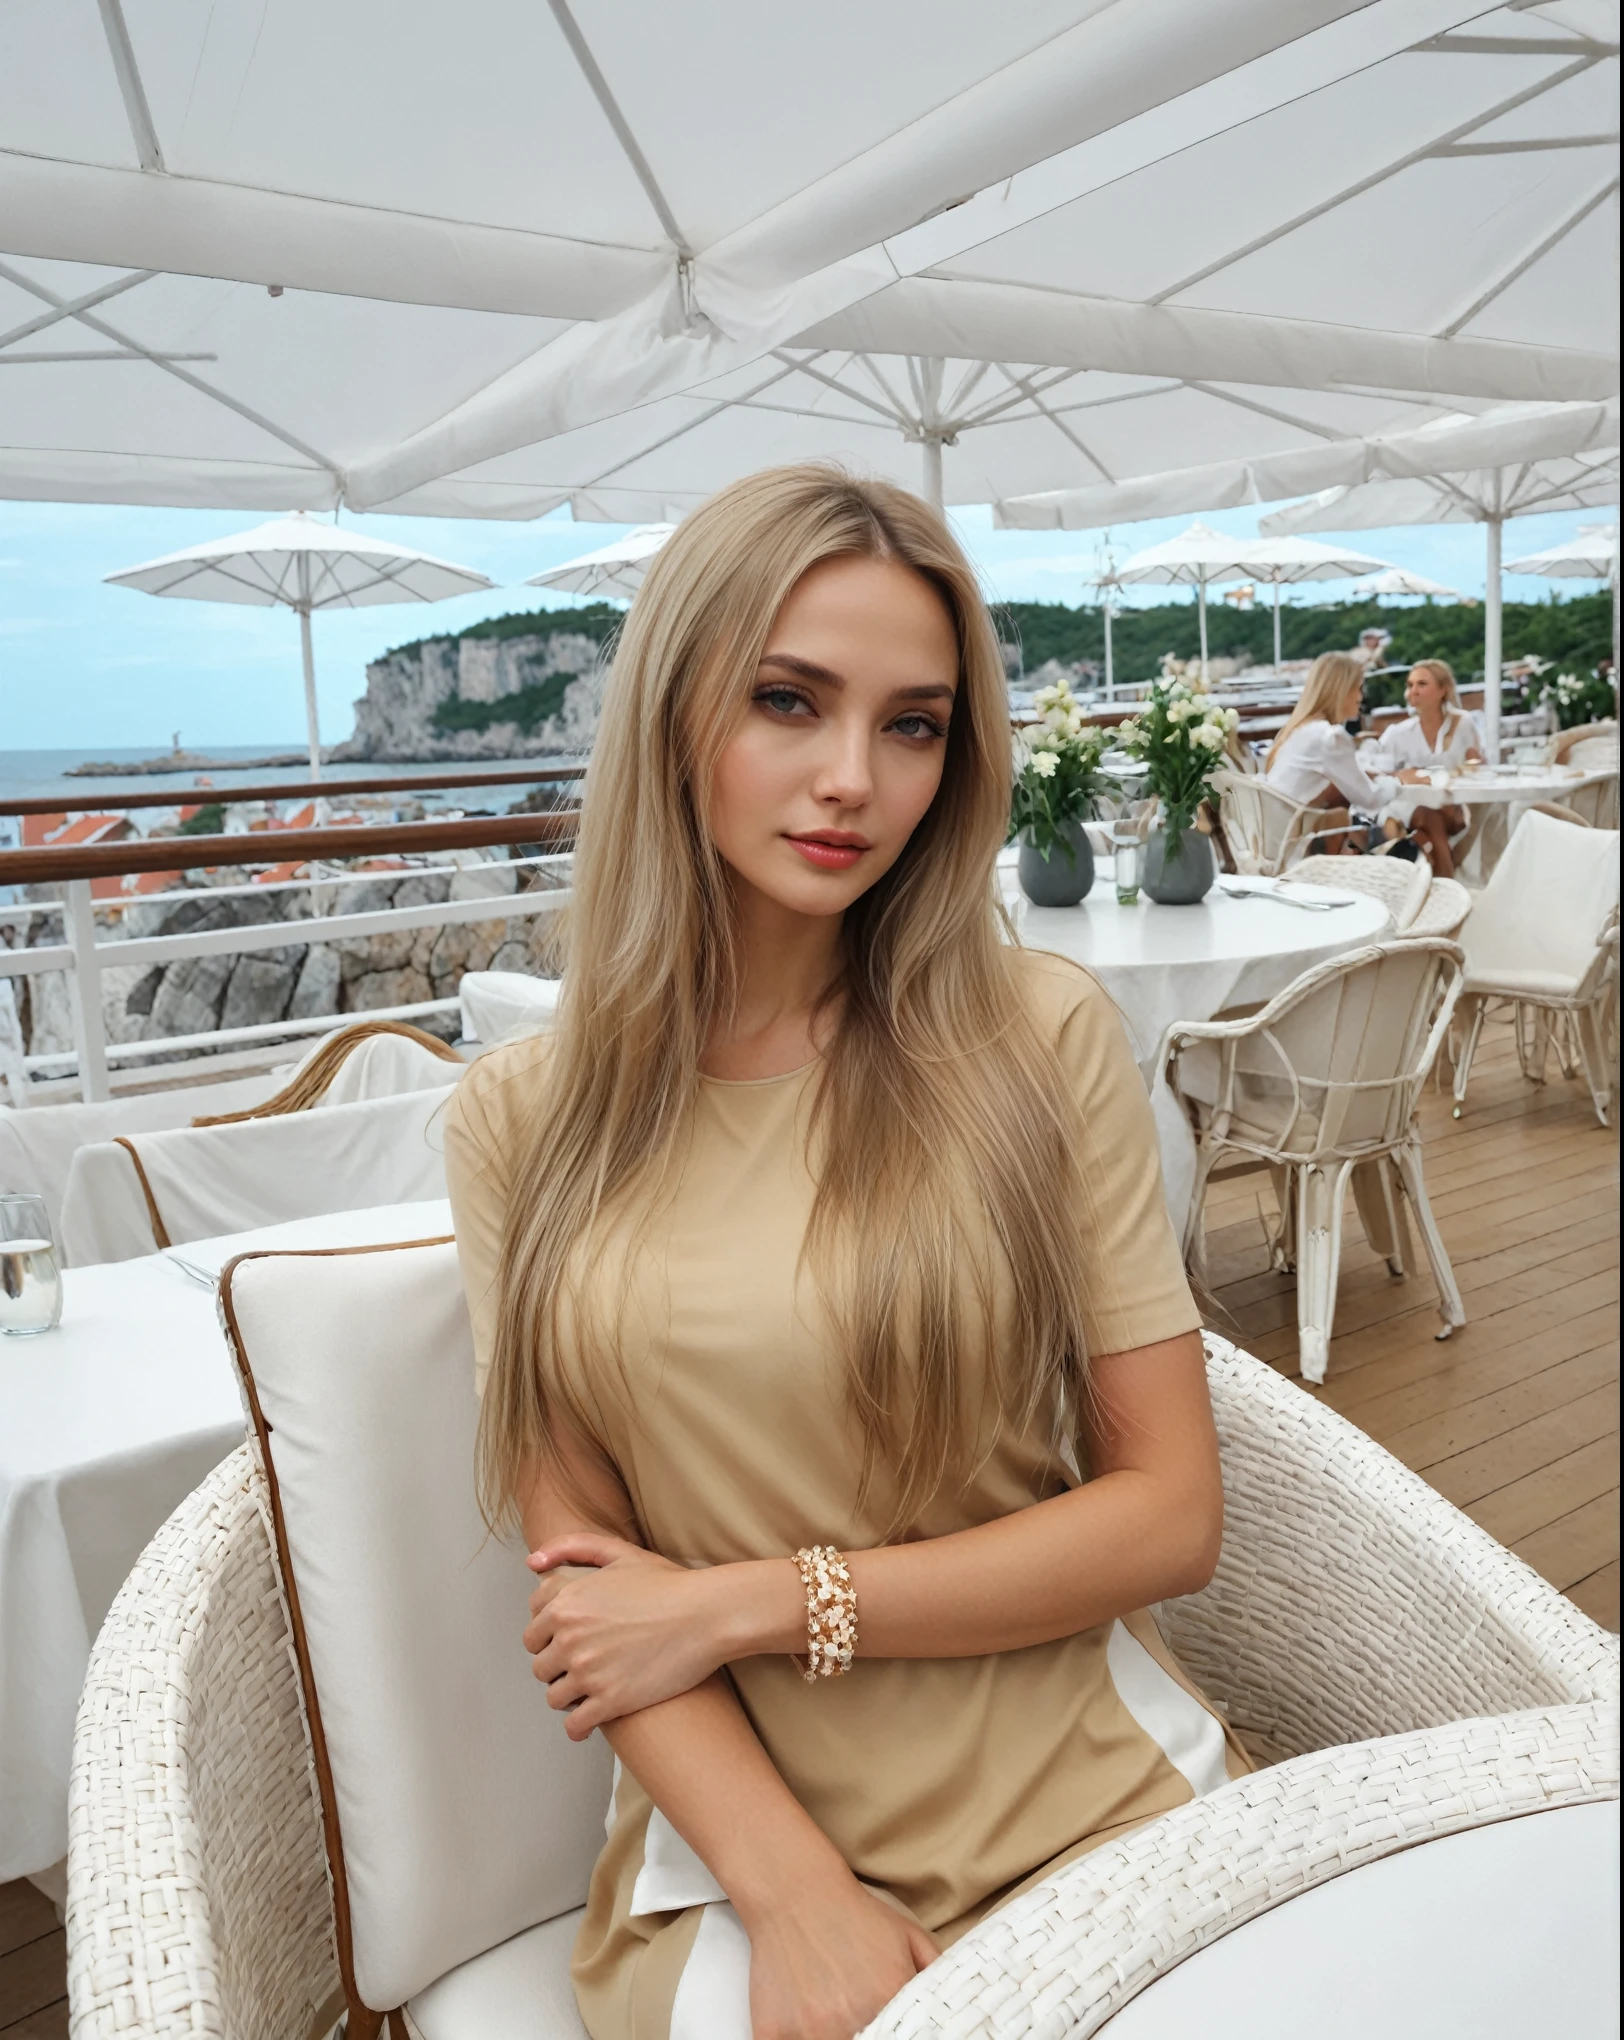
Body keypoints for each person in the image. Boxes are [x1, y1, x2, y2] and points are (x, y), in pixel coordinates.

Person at [444, 465, 1251, 2040]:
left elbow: (1169, 1516)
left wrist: (753, 1602)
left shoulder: (1036, 1039)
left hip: (1097, 1806)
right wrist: (799, 1896)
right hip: (737, 1861)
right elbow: (597, 1598)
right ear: (677, 712)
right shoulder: (520, 1123)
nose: (852, 782)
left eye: (912, 724)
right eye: (788, 701)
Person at [1265, 650, 1427, 855]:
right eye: (1358, 688)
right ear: (1340, 690)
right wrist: (1402, 781)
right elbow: (1371, 798)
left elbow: (1341, 777)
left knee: (1363, 826)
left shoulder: (1301, 730)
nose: (1361, 697)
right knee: (1408, 839)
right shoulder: (1330, 737)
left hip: (1277, 843)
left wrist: (1379, 776)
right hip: (1297, 850)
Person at [1366, 658, 1483, 877]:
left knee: (1430, 827)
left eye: (1422, 684)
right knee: (1430, 816)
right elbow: (1376, 772)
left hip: (1452, 805)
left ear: (1443, 690)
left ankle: (1429, 875)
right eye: (1410, 685)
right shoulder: (1399, 733)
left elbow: (1477, 768)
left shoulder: (1463, 724)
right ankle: (1448, 879)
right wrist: (1405, 775)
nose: (1413, 691)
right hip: (1409, 805)